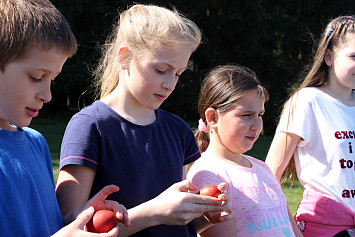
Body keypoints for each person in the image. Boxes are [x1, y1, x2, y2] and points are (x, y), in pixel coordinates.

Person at [55, 4, 234, 237]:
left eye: (178, 73)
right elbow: (69, 229)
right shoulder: (91, 125)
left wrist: (202, 217)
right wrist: (154, 212)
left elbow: (171, 224)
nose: (170, 84)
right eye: (161, 70)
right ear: (125, 57)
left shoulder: (178, 130)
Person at [0, 0, 130, 236]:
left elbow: (43, 225)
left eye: (52, 79)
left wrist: (76, 219)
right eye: (36, 76)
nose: (47, 95)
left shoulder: (36, 143)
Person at [187, 65, 303, 236]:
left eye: (260, 115)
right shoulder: (208, 176)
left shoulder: (262, 168)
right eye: (247, 115)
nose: (257, 126)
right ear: (213, 118)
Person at [265, 15, 355, 237]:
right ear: (329, 57)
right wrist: (292, 230)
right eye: (354, 56)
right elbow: (269, 175)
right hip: (324, 227)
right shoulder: (307, 101)